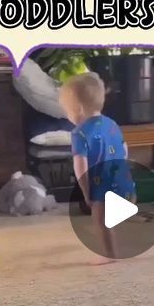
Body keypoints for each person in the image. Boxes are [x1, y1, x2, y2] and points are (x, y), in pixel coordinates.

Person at [61, 72, 136, 265]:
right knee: (116, 214)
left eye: (67, 111)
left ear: (77, 109)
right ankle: (121, 232)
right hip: (122, 178)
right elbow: (125, 149)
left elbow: (80, 165)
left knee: (101, 221)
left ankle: (110, 254)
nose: (67, 115)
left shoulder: (79, 133)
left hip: (101, 184)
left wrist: (86, 191)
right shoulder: (112, 124)